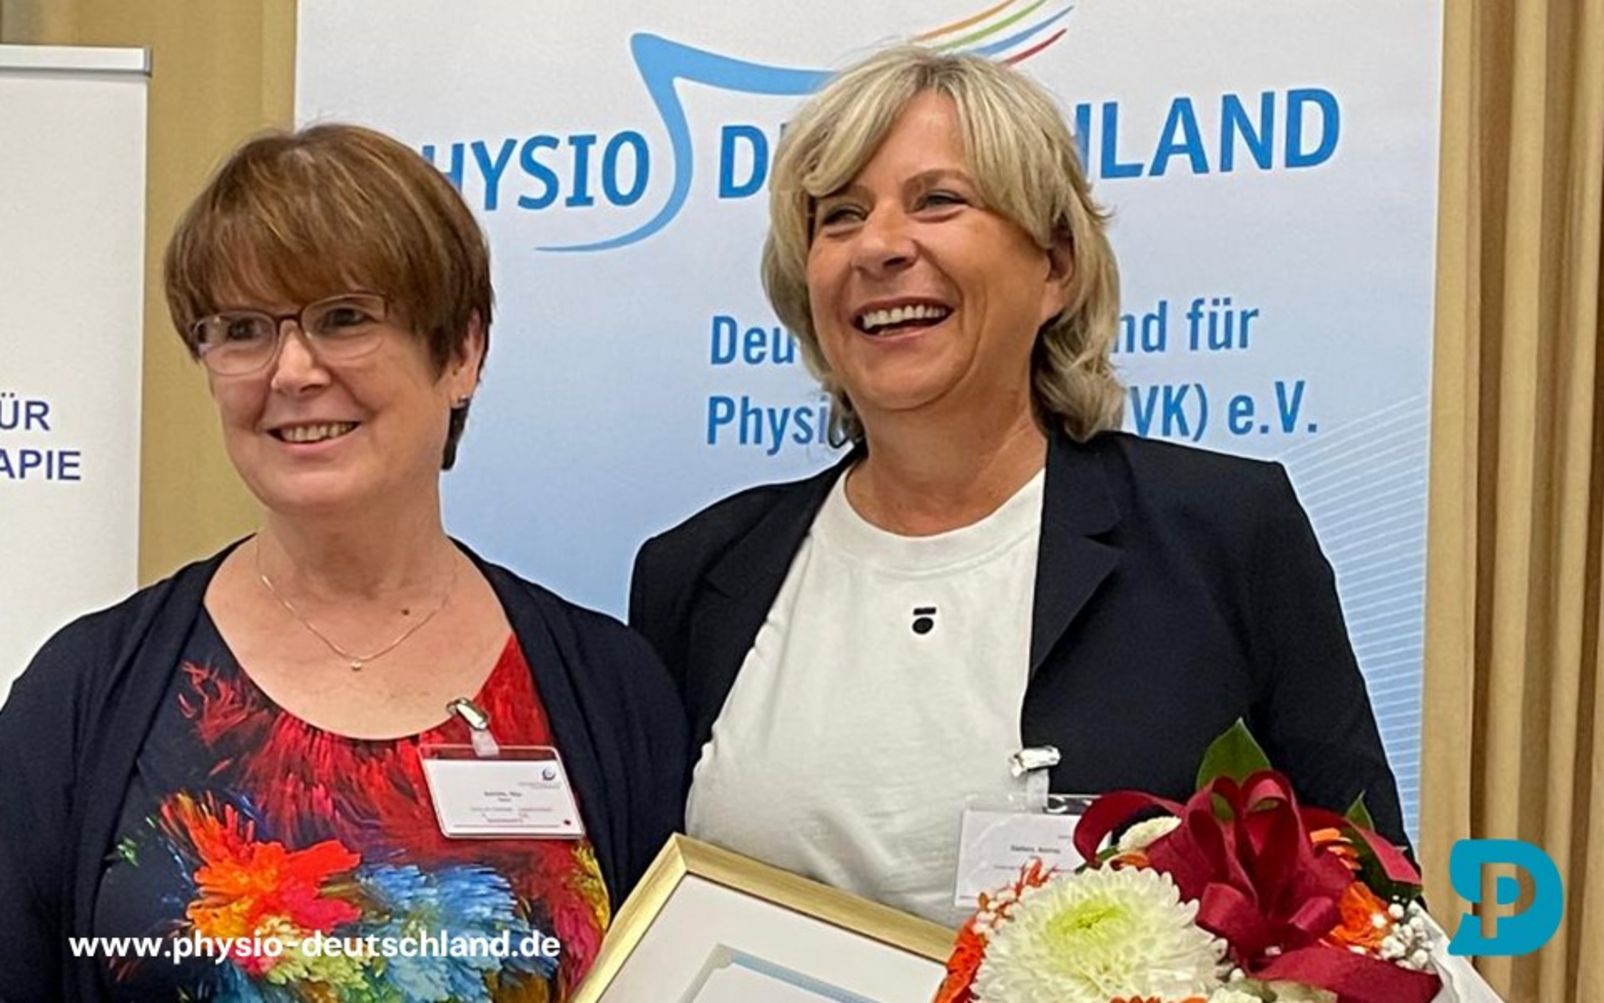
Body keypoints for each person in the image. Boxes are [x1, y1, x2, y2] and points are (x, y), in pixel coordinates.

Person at [629, 47, 1406, 929]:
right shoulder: (697, 572)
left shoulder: (1222, 532)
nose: (879, 245)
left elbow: (1367, 906)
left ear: (1056, 266)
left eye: (938, 200)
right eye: (840, 215)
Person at [0, 124, 685, 1002]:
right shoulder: (84, 692)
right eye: (242, 330)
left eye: (344, 318)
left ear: (463, 352)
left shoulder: (611, 690)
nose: (292, 370)